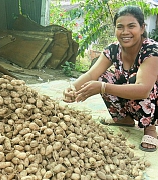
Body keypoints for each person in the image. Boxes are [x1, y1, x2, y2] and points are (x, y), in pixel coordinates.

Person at [63, 5, 158, 152]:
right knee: (102, 77)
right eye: (120, 27)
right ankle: (124, 119)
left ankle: (150, 128)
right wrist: (72, 88)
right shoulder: (113, 49)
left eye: (131, 26)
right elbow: (91, 74)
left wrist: (103, 87)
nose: (125, 32)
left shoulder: (151, 50)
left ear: (142, 28)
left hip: (152, 100)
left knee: (134, 81)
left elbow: (144, 89)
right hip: (131, 96)